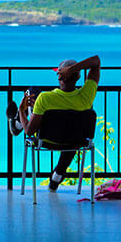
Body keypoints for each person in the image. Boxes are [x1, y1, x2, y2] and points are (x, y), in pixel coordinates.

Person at [15, 55, 101, 192]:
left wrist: (20, 110)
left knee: (32, 91)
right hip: (76, 141)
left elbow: (29, 131)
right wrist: (72, 69)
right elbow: (96, 62)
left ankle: (17, 123)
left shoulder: (44, 98)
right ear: (78, 77)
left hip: (47, 140)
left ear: (59, 76)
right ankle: (57, 175)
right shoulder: (86, 96)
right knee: (71, 130)